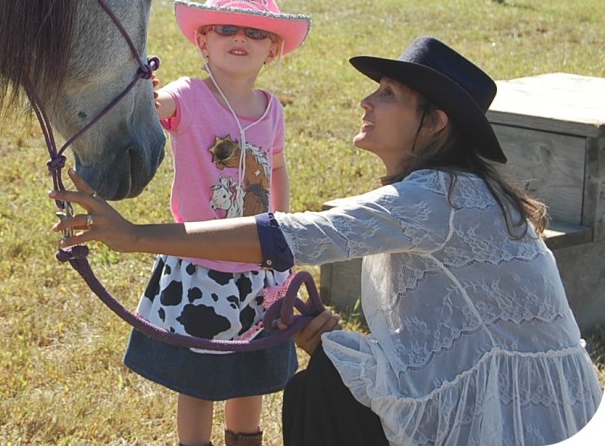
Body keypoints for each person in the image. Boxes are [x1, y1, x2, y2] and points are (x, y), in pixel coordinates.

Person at [53, 36, 603, 446]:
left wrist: (133, 235)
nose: (367, 102)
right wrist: (328, 337)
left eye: (387, 94)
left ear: (433, 123)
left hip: (519, 420)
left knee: (320, 395)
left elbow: (295, 234)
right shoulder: (450, 192)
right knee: (325, 381)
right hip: (513, 400)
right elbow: (448, 339)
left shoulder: (437, 199)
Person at [124, 0, 312, 446]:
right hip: (200, 266)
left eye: (255, 32)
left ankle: (244, 439)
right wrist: (149, 94)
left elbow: (278, 168)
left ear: (273, 50)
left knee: (252, 365)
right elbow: (159, 106)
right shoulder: (189, 96)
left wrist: (283, 232)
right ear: (203, 42)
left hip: (258, 264)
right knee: (199, 377)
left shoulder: (272, 110)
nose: (239, 38)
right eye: (226, 28)